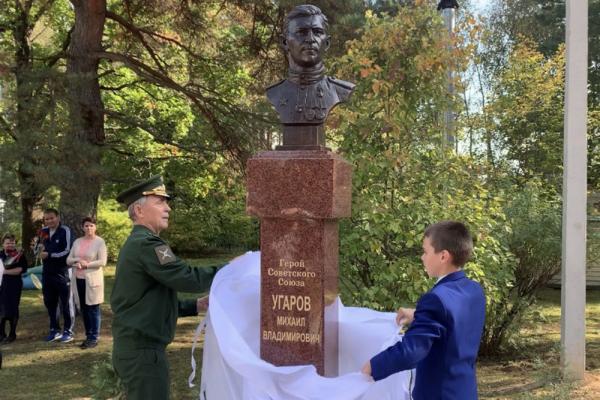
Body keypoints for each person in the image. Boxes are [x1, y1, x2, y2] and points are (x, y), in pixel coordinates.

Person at [111, 175, 218, 400]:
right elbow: (186, 277)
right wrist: (229, 270)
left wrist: (195, 305)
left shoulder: (141, 243)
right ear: (139, 211)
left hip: (138, 350)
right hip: (143, 354)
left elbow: (149, 302)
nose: (168, 208)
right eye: (160, 201)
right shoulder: (147, 244)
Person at [361, 221, 486, 400]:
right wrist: (417, 315)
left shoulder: (436, 299)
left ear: (443, 256)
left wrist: (371, 367)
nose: (422, 257)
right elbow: (454, 321)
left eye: (426, 251)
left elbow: (412, 351)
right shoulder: (474, 290)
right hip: (464, 392)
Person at [266, 4, 354, 149]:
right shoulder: (274, 93)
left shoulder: (339, 90)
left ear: (327, 43)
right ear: (285, 42)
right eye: (301, 32)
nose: (310, 39)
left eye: (317, 32)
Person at [67, 217, 107, 349]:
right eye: (86, 226)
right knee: (83, 308)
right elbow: (69, 260)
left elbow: (102, 262)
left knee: (93, 309)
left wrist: (87, 264)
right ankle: (88, 335)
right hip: (78, 280)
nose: (89, 228)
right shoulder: (77, 242)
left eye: (91, 225)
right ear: (82, 227)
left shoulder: (100, 242)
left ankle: (94, 337)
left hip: (92, 281)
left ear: (95, 227)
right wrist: (78, 260)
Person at [40, 208, 75, 343]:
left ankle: (68, 331)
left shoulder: (65, 230)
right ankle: (54, 330)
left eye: (51, 218)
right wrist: (37, 249)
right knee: (50, 302)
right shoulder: (43, 231)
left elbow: (67, 251)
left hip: (63, 272)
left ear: (58, 217)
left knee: (66, 302)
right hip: (47, 272)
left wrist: (49, 255)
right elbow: (39, 247)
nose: (49, 221)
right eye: (46, 219)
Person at [0, 234, 28, 344]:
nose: (10, 245)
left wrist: (5, 272)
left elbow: (21, 269)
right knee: (0, 310)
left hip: (13, 285)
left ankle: (12, 334)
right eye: (8, 243)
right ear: (3, 244)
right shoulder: (0, 255)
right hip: (1, 285)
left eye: (12, 243)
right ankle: (1, 334)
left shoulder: (19, 255)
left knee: (12, 308)